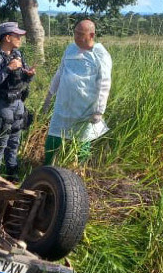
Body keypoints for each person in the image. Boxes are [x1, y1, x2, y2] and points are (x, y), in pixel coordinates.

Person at [41, 19, 112, 165]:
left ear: (91, 35)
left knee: (81, 144)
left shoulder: (100, 54)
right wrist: (49, 96)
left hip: (84, 110)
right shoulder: (70, 49)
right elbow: (60, 73)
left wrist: (99, 111)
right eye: (75, 33)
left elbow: (104, 84)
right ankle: (47, 170)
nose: (76, 37)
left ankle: (78, 174)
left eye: (80, 34)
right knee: (52, 140)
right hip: (63, 106)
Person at [0, 21, 36, 182]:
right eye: (17, 35)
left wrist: (29, 74)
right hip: (2, 105)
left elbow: (22, 79)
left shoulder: (17, 55)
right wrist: (8, 68)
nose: (20, 38)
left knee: (14, 144)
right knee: (0, 144)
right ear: (7, 37)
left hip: (19, 104)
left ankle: (13, 179)